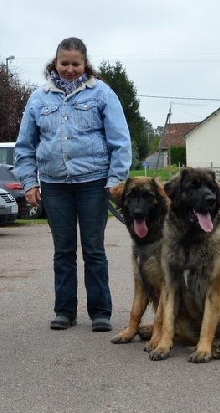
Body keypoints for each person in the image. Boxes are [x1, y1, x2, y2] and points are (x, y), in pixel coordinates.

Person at [13, 37, 132, 332]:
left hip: (94, 183)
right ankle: (64, 311)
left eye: (75, 64)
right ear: (55, 62)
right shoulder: (38, 99)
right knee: (63, 251)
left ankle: (101, 312)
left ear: (85, 64)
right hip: (55, 185)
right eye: (64, 63)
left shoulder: (102, 93)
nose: (69, 69)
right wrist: (29, 182)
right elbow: (25, 146)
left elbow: (120, 141)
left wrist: (115, 181)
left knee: (94, 250)